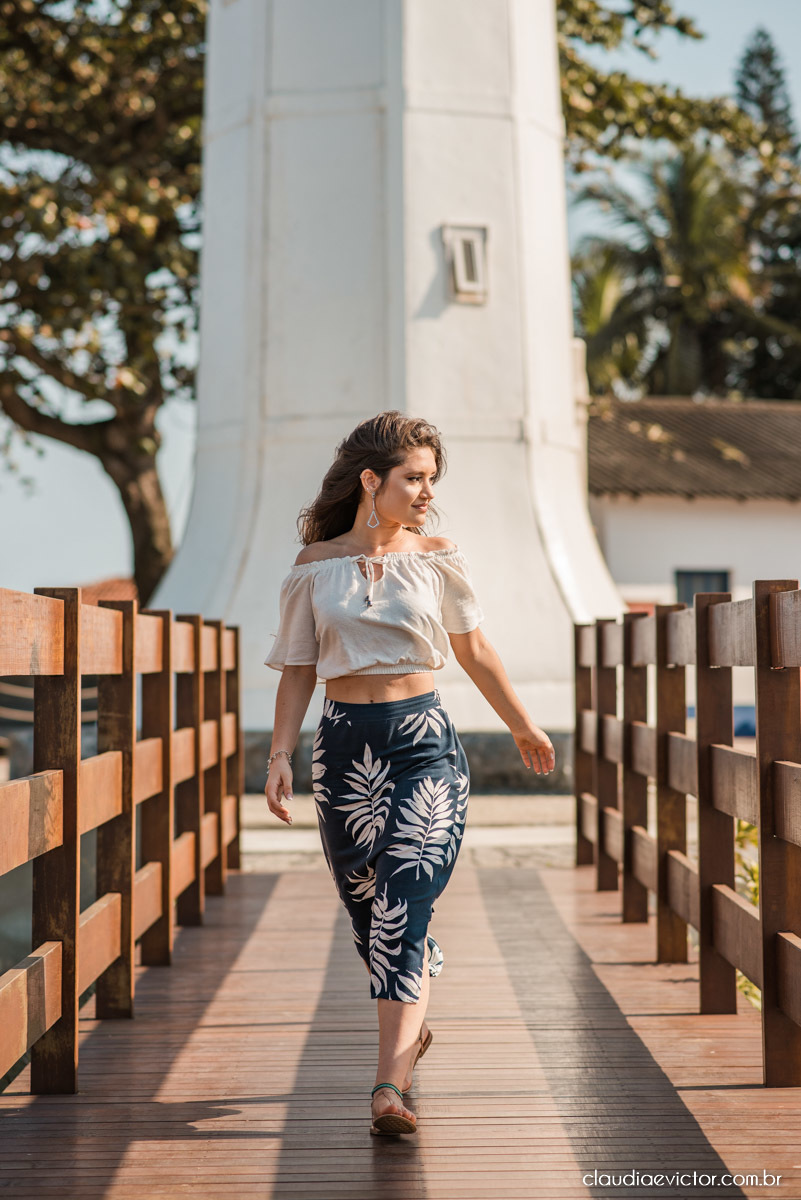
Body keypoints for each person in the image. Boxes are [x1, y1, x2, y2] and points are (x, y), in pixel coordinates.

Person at [263, 411, 555, 1136]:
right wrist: (278, 757)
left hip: (423, 744)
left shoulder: (437, 555)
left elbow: (474, 649)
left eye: (431, 480)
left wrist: (521, 723)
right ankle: (411, 1024)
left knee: (403, 902)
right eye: (413, 479)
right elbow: (298, 668)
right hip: (342, 750)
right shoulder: (314, 566)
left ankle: (386, 1086)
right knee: (373, 915)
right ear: (372, 481)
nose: (426, 492)